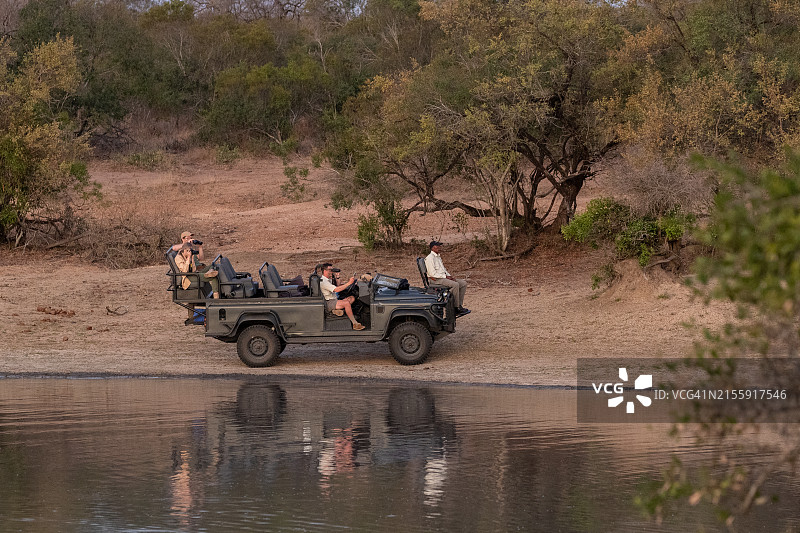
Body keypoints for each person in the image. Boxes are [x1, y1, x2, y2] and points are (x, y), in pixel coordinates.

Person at [175, 243, 220, 324]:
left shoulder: (188, 256)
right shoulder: (178, 258)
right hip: (187, 278)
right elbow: (184, 271)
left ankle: (210, 271)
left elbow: (193, 270)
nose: (191, 252)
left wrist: (192, 259)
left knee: (212, 265)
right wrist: (188, 259)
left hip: (193, 274)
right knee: (213, 277)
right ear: (185, 250)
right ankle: (216, 298)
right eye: (189, 251)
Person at [424, 241, 470, 317]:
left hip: (442, 277)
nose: (439, 247)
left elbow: (443, 269)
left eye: (439, 246)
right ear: (432, 248)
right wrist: (446, 277)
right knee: (455, 285)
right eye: (437, 246)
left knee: (463, 283)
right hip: (436, 279)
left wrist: (450, 276)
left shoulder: (438, 257)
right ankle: (455, 308)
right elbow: (432, 274)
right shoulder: (429, 258)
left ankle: (459, 304)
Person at [319, 263, 365, 330]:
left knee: (351, 298)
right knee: (346, 303)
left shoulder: (328, 279)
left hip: (334, 299)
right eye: (330, 270)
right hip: (329, 302)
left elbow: (337, 286)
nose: (332, 271)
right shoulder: (324, 281)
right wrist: (349, 283)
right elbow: (337, 289)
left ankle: (336, 310)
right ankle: (355, 323)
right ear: (325, 271)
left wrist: (339, 278)